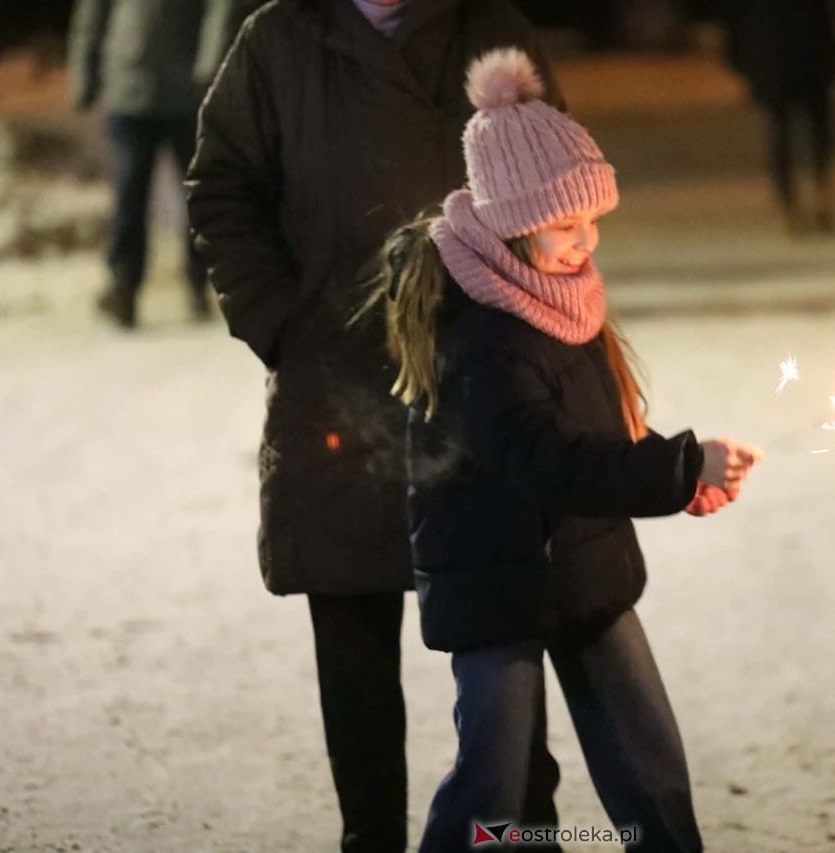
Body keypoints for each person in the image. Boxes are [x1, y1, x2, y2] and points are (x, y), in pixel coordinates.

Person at [361, 48, 763, 852]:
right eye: (567, 223)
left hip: (585, 562)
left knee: (649, 761)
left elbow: (595, 435)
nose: (588, 241)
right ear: (512, 220)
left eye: (594, 220)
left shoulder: (562, 298)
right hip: (493, 579)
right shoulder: (483, 334)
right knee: (494, 784)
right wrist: (679, 465)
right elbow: (542, 456)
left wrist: (679, 476)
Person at [185, 3, 562, 851]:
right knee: (353, 632)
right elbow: (221, 185)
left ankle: (519, 837)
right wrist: (281, 320)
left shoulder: (487, 27)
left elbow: (555, 174)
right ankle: (372, 840)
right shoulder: (280, 40)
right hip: (338, 371)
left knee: (503, 635)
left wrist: (534, 318)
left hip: (481, 374)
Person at [69, 0, 244, 328]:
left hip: (186, 94)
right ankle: (123, 286)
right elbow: (92, 14)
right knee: (129, 193)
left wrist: (209, 67)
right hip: (128, 89)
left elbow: (219, 10)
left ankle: (200, 282)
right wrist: (85, 74)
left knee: (199, 195)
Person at [719, 0, 835, 235]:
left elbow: (734, 13)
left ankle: (794, 204)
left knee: (782, 130)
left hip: (774, 46)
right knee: (816, 126)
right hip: (812, 44)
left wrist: (738, 56)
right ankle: (819, 195)